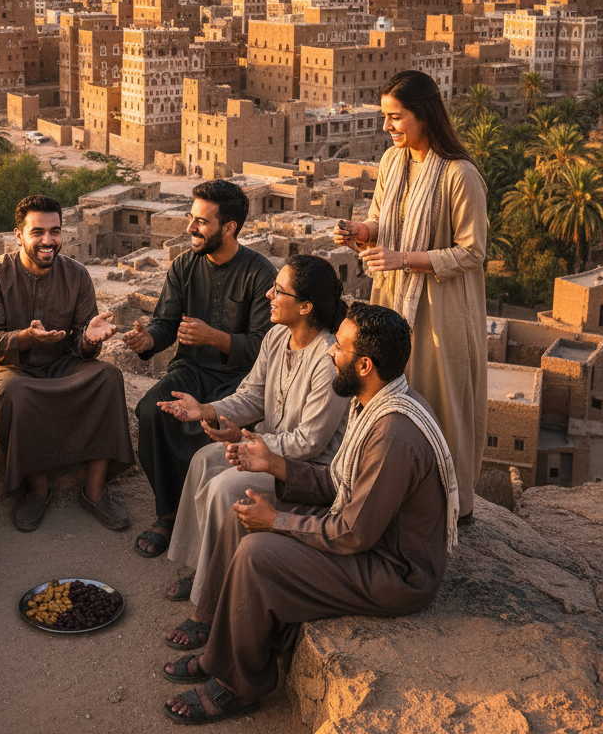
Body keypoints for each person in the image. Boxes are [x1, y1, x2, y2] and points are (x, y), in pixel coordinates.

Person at [161, 302, 459, 723]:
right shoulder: (374, 399)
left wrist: (277, 521)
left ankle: (237, 686)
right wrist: (274, 465)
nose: (331, 353)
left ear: (364, 364)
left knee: (256, 555)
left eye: (339, 348)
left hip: (394, 571)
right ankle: (216, 638)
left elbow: (353, 533)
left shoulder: (392, 434)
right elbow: (338, 484)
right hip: (370, 541)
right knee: (241, 513)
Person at [333, 69, 487, 520]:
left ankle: (451, 509)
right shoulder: (391, 163)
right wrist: (362, 231)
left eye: (396, 117)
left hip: (441, 313)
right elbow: (381, 220)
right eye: (385, 117)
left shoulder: (460, 175)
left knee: (439, 405)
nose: (388, 127)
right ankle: (387, 496)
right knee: (384, 400)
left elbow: (472, 252)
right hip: (392, 300)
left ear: (424, 115)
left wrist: (404, 258)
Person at [160, 255, 349, 618]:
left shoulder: (327, 361)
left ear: (306, 306)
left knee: (224, 488)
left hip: (299, 466)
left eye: (279, 290)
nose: (269, 295)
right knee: (203, 461)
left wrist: (251, 445)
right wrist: (207, 410)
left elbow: (309, 443)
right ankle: (201, 567)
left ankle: (211, 600)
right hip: (266, 447)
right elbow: (251, 395)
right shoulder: (278, 336)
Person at [123, 180, 276, 558]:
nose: (191, 228)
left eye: (201, 222)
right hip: (190, 370)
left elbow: (263, 346)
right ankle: (168, 513)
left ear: (229, 228)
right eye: (191, 219)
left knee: (213, 431)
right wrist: (148, 341)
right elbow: (165, 322)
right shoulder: (183, 266)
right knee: (151, 411)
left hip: (240, 380)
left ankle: (206, 518)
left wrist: (216, 337)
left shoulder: (260, 274)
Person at [0, 194, 135, 532]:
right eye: (38, 232)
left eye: (55, 231)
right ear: (19, 235)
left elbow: (81, 345)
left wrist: (89, 339)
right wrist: (28, 337)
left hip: (59, 365)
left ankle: (95, 491)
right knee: (17, 393)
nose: (48, 241)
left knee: (108, 378)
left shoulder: (77, 275)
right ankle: (37, 489)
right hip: (2, 369)